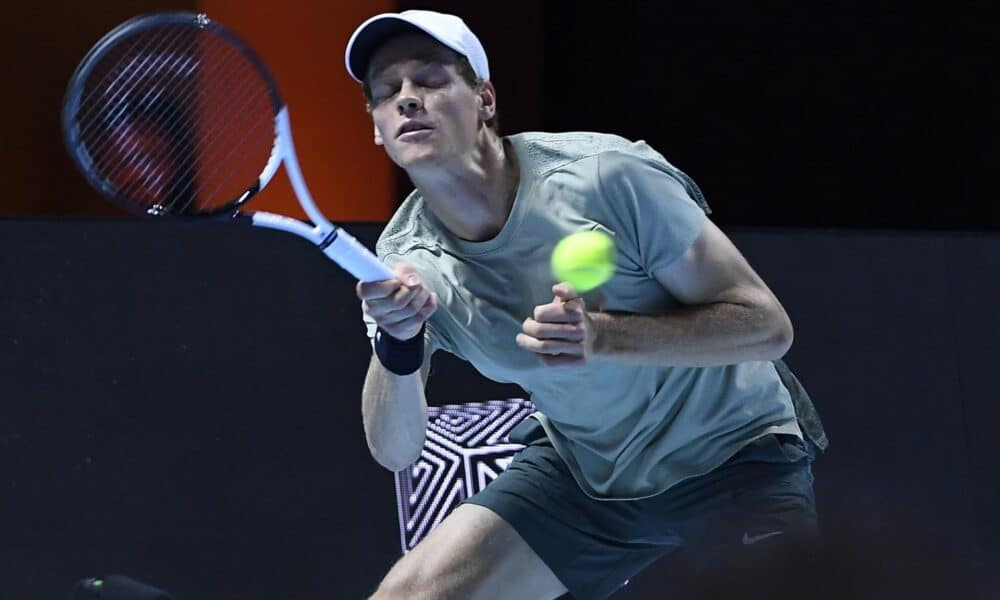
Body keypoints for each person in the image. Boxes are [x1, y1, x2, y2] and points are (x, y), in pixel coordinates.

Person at [347, 10, 827, 600]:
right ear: (375, 128)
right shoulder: (405, 258)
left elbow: (766, 327)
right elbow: (395, 450)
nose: (408, 100)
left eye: (431, 80)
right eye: (386, 92)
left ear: (485, 101)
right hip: (586, 473)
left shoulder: (607, 176)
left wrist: (604, 336)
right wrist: (396, 348)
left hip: (734, 454)